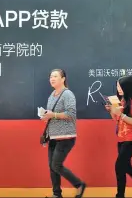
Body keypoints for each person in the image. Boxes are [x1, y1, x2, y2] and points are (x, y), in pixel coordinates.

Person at [41, 69, 86, 198]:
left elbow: (71, 114)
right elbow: (52, 115)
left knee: (56, 165)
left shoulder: (68, 94)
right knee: (52, 166)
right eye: (50, 76)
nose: (52, 78)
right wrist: (46, 116)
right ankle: (56, 194)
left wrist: (53, 114)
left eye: (55, 76)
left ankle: (79, 185)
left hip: (66, 136)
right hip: (53, 136)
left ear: (63, 79)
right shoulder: (52, 95)